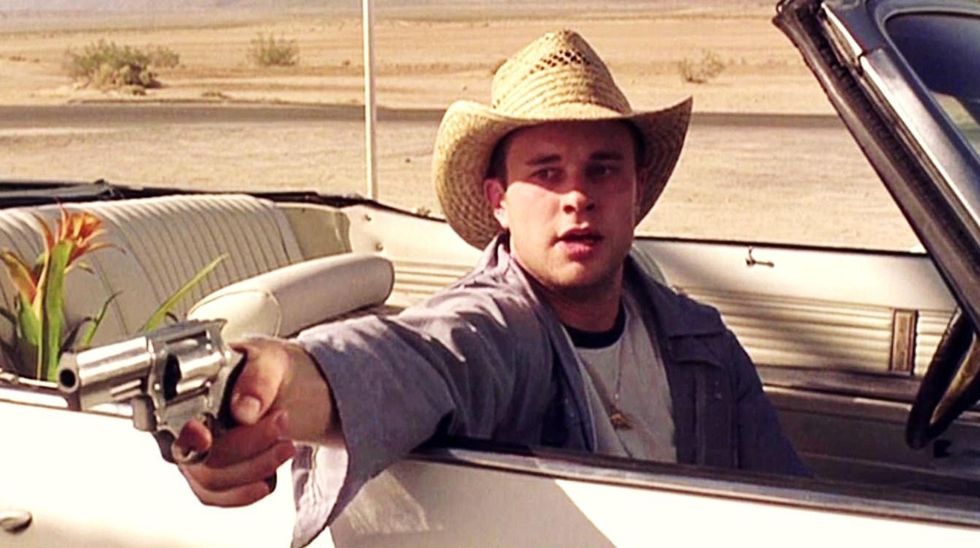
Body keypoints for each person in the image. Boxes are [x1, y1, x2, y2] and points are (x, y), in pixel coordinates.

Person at [176, 29, 807, 546]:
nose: (577, 196)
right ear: (499, 201)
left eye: (602, 169)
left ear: (636, 190)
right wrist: (257, 388)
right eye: (547, 173)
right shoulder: (496, 329)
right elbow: (408, 358)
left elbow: (796, 508)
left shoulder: (702, 343)